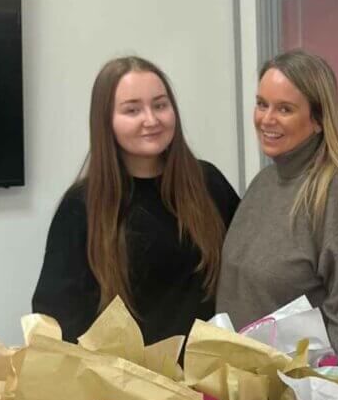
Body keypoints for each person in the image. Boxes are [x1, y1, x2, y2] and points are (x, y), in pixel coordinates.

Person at [33, 56, 239, 343]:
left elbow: (247, 270)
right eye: (132, 110)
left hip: (210, 375)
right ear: (106, 121)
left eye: (160, 105)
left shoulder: (208, 183)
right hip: (127, 383)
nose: (151, 120)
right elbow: (58, 317)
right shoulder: (81, 207)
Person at [217, 49, 338, 363]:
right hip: (246, 389)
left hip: (298, 399)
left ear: (318, 120)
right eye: (262, 104)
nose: (267, 119)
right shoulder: (263, 183)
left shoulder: (333, 194)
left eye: (285, 109)